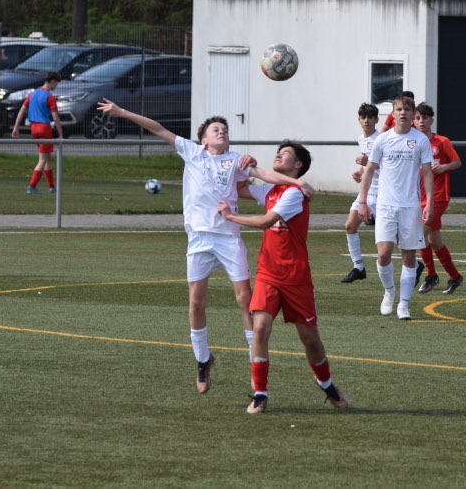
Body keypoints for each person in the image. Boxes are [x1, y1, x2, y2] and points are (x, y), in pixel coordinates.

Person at [97, 99, 314, 393]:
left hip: (228, 238)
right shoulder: (192, 152)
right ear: (204, 140)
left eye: (225, 129)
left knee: (245, 299)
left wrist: (298, 184)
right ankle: (202, 360)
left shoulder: (235, 160)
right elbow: (158, 129)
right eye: (215, 129)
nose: (222, 131)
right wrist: (121, 112)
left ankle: (254, 363)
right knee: (196, 303)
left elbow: (264, 175)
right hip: (199, 238)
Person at [218, 141, 348, 414]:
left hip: (296, 278)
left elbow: (266, 221)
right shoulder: (270, 189)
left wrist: (230, 216)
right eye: (279, 151)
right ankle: (260, 393)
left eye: (286, 153)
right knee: (260, 328)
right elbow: (240, 189)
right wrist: (246, 167)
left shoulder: (294, 194)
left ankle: (325, 383)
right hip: (268, 274)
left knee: (310, 339)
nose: (278, 154)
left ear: (298, 165)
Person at [358, 95, 433, 320]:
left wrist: (429, 202)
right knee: (383, 254)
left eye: (407, 110)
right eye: (399, 109)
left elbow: (427, 172)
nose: (403, 113)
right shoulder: (382, 140)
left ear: (413, 114)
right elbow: (369, 170)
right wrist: (363, 201)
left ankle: (404, 305)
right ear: (393, 113)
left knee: (409, 257)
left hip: (410, 206)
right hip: (385, 206)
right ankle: (389, 292)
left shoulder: (420, 140)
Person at [413, 103, 465, 295]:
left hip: (438, 197)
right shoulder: (412, 142)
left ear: (431, 121)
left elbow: (457, 162)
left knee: (420, 234)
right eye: (418, 118)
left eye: (425, 118)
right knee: (434, 240)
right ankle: (455, 277)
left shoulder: (441, 141)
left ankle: (431, 275)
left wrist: (444, 167)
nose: (421, 121)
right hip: (418, 198)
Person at [340, 103, 380, 283]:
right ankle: (358, 267)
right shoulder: (361, 139)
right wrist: (360, 173)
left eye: (370, 117)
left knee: (393, 237)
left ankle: (415, 264)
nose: (366, 121)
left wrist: (367, 162)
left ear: (376, 120)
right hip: (367, 191)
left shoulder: (381, 139)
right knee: (350, 225)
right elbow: (368, 167)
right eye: (363, 117)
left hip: (383, 192)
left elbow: (388, 165)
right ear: (359, 120)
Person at [12, 70, 64, 194]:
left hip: (34, 128)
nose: (56, 87)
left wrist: (16, 127)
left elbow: (22, 110)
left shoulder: (32, 93)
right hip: (44, 128)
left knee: (47, 158)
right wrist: (60, 134)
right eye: (56, 84)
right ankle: (32, 186)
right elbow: (55, 117)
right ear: (52, 82)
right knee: (43, 159)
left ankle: (52, 187)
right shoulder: (50, 97)